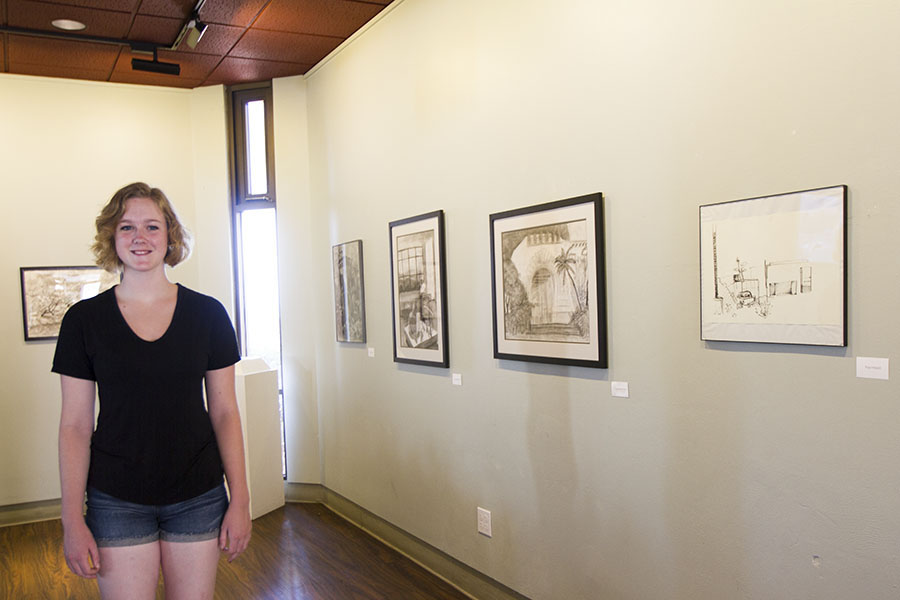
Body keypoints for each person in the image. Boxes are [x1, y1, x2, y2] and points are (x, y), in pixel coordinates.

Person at [53, 182, 251, 599]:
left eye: (152, 227)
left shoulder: (208, 314)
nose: (140, 238)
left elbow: (225, 414)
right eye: (126, 227)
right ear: (112, 237)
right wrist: (72, 519)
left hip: (198, 492)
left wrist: (242, 500)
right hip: (115, 498)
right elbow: (74, 425)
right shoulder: (83, 321)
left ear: (170, 237)